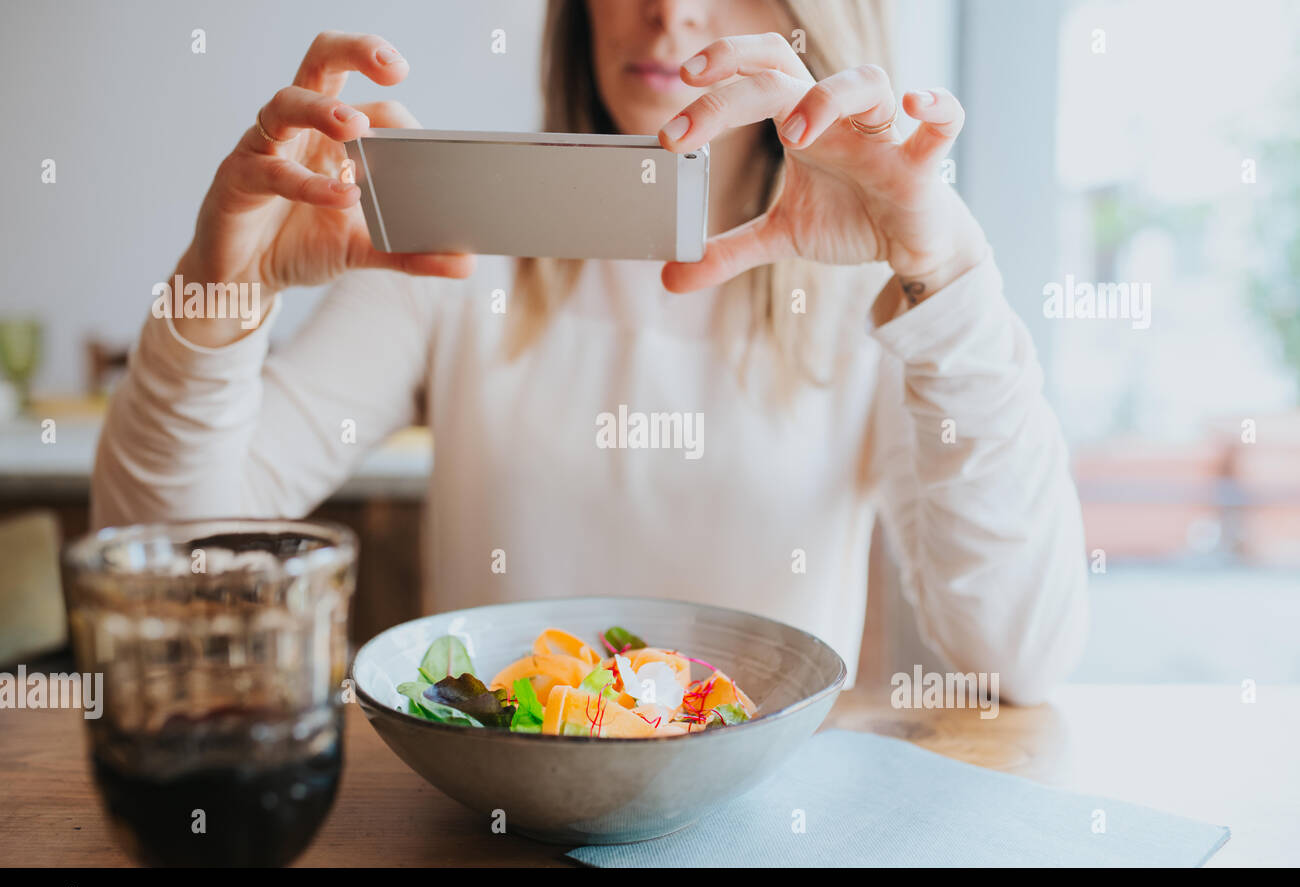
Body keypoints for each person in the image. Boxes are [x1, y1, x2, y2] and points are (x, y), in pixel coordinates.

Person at [92, 0, 1088, 703]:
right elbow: (173, 570)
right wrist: (223, 289)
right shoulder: (456, 252)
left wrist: (945, 270)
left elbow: (1018, 657)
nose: (666, 11)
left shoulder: (885, 291)